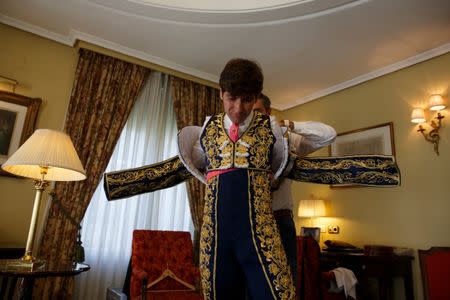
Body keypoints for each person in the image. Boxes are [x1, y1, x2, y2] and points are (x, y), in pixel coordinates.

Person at [178, 58, 295, 300]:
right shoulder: (208, 129)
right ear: (221, 94)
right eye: (232, 98)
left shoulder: (271, 127)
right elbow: (196, 161)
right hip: (216, 237)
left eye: (247, 99)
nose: (239, 108)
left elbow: (320, 139)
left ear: (256, 98)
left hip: (261, 233)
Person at [252, 94, 336, 285]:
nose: (253, 117)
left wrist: (290, 125)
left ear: (268, 112)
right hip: (249, 222)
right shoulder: (239, 143)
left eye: (257, 112)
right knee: (251, 284)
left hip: (280, 220)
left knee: (286, 281)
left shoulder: (287, 138)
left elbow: (329, 135)